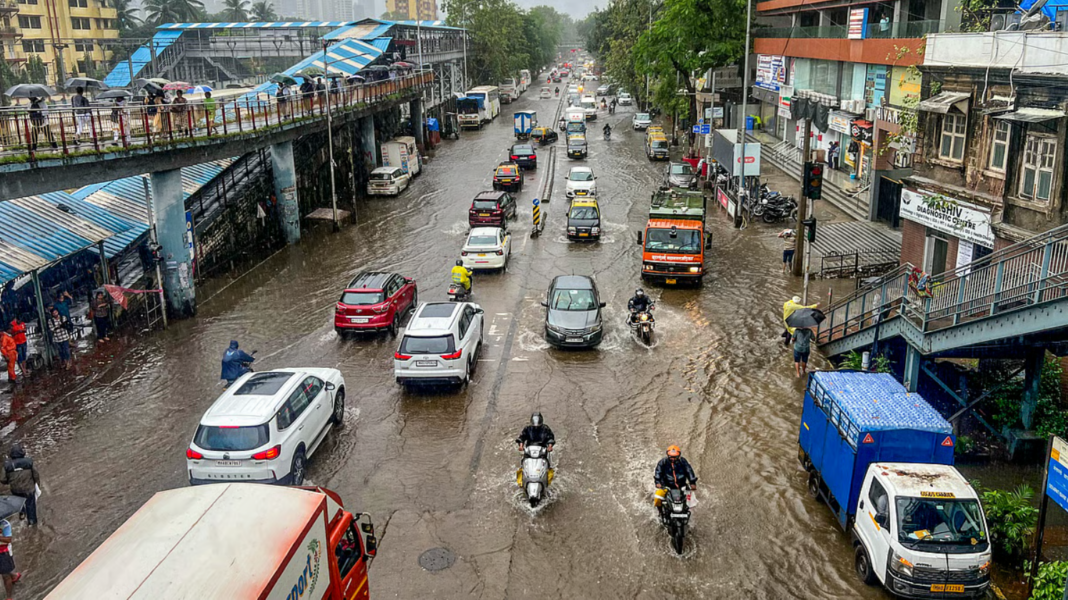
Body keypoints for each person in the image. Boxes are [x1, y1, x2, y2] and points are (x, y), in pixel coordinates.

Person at [2, 444, 39, 526]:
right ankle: (32, 523)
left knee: (19, 502)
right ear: (22, 452)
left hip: (15, 489)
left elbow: (3, 479)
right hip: (29, 489)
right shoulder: (29, 461)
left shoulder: (7, 465)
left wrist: (9, 481)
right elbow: (36, 475)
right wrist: (36, 484)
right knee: (30, 506)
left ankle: (22, 513)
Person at [0, 516, 20, 599]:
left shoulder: (4, 524)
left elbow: (8, 540)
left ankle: (9, 597)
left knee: (5, 576)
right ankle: (14, 576)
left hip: (3, 553)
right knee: (5, 571)